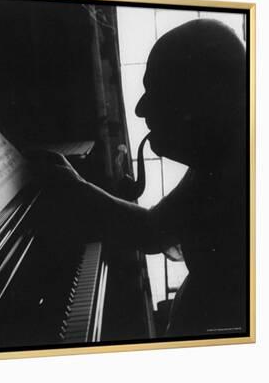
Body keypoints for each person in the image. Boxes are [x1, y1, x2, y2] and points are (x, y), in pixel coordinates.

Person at [29, 19, 248, 337]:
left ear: (202, 100)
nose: (139, 109)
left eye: (156, 91)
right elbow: (153, 231)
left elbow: (151, 232)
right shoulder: (220, 157)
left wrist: (72, 186)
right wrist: (75, 186)